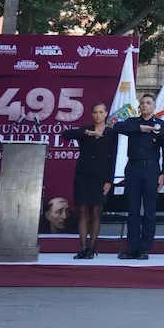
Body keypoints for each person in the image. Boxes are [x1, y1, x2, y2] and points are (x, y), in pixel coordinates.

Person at [108, 93, 164, 260]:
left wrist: (163, 173)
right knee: (133, 210)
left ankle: (144, 249)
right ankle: (132, 248)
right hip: (133, 168)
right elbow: (116, 127)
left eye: (148, 103)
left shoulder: (160, 125)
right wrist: (140, 129)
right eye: (142, 103)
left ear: (154, 106)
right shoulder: (132, 122)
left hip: (151, 169)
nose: (145, 106)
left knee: (149, 210)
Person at [60, 102, 117, 259]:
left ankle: (92, 247)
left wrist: (109, 180)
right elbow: (66, 134)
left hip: (100, 177)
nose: (98, 115)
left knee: (96, 211)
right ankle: (83, 247)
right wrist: (89, 133)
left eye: (101, 112)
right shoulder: (85, 130)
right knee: (83, 211)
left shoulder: (111, 133)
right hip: (83, 175)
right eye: (95, 112)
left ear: (106, 114)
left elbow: (112, 157)